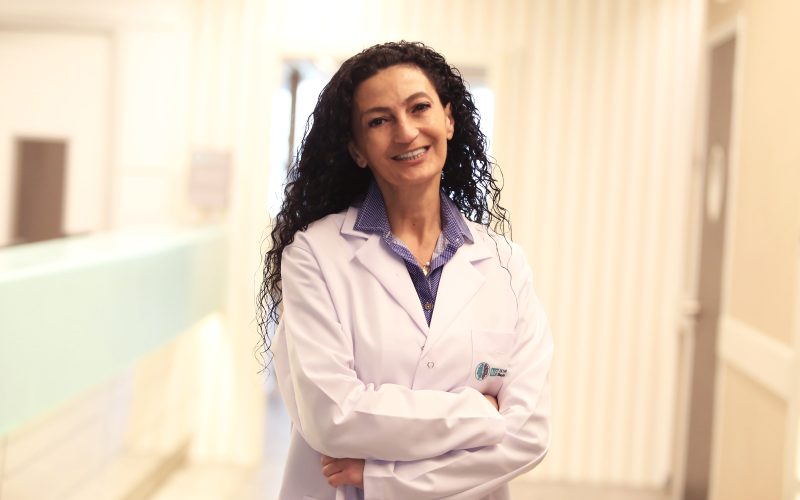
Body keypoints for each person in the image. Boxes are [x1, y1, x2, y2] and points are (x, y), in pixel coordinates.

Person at [258, 41, 553, 500]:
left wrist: (383, 478)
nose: (406, 131)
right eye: (379, 121)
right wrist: (479, 412)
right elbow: (333, 416)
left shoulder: (505, 263)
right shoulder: (314, 255)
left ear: (448, 119)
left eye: (419, 108)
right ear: (358, 149)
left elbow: (528, 434)